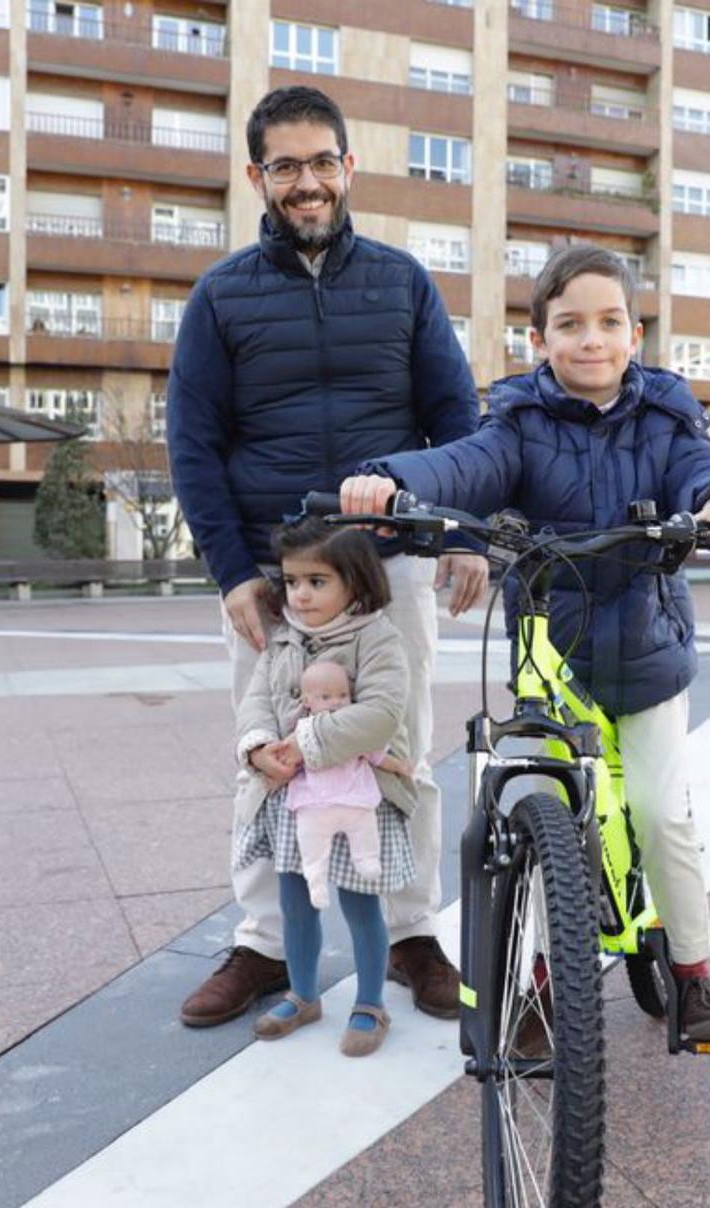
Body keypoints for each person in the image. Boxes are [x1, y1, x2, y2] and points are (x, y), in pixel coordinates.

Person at [342, 245, 710, 1042]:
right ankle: (542, 972)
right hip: (552, 649)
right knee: (540, 807)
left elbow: (700, 467)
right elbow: (463, 465)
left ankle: (693, 973)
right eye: (569, 325)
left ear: (634, 336)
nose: (591, 340)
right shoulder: (519, 422)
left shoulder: (667, 415)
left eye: (609, 323)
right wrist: (389, 480)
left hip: (645, 650)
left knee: (658, 810)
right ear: (539, 340)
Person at [167, 85, 489, 1028]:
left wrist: (462, 532)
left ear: (349, 167)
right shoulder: (221, 295)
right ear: (257, 176)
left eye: (321, 162)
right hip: (276, 579)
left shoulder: (403, 281)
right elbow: (193, 443)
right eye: (285, 166)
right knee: (264, 753)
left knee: (401, 749)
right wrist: (230, 570)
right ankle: (263, 945)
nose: (305, 183)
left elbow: (457, 420)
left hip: (389, 569)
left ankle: (411, 932)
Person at [234, 517, 415, 1055]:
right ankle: (304, 993)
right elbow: (258, 699)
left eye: (317, 582)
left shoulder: (377, 638)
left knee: (361, 903)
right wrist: (259, 747)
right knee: (295, 900)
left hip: (361, 797)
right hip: (297, 799)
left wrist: (305, 743)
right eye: (292, 582)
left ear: (354, 582)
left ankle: (370, 1002)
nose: (301, 594)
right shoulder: (285, 637)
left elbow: (382, 713)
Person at [278, 659, 412, 909]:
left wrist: (399, 766)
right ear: (306, 701)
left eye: (343, 695)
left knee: (365, 828)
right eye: (325, 697)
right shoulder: (302, 731)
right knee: (312, 845)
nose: (337, 702)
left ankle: (367, 859)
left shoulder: (353, 729)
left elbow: (377, 756)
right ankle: (315, 880)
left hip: (355, 799)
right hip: (315, 803)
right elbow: (287, 756)